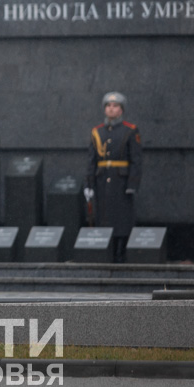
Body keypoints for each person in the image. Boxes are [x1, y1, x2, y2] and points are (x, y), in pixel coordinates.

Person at [85, 91, 142, 262]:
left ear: (121, 110)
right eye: (108, 106)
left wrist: (132, 184)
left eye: (115, 106)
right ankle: (106, 253)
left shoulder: (130, 130)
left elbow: (136, 160)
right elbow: (92, 161)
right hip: (102, 181)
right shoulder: (97, 132)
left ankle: (120, 253)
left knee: (122, 219)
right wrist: (89, 184)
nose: (111, 109)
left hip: (121, 182)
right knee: (104, 218)